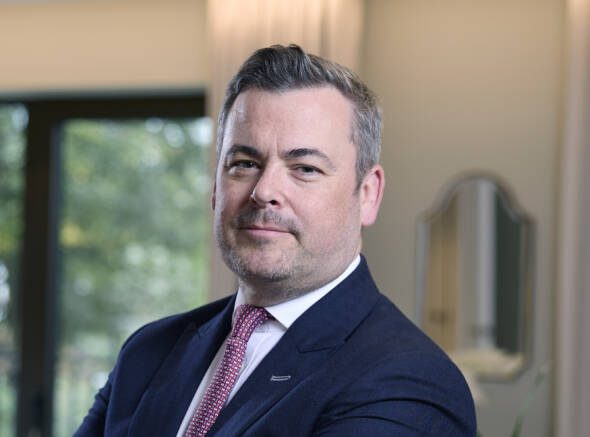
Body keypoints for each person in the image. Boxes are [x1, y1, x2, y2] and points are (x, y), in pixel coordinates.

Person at [75, 44, 476, 436]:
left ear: (367, 195)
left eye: (305, 168)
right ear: (215, 188)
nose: (264, 190)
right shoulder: (149, 351)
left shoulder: (408, 381)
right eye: (245, 163)